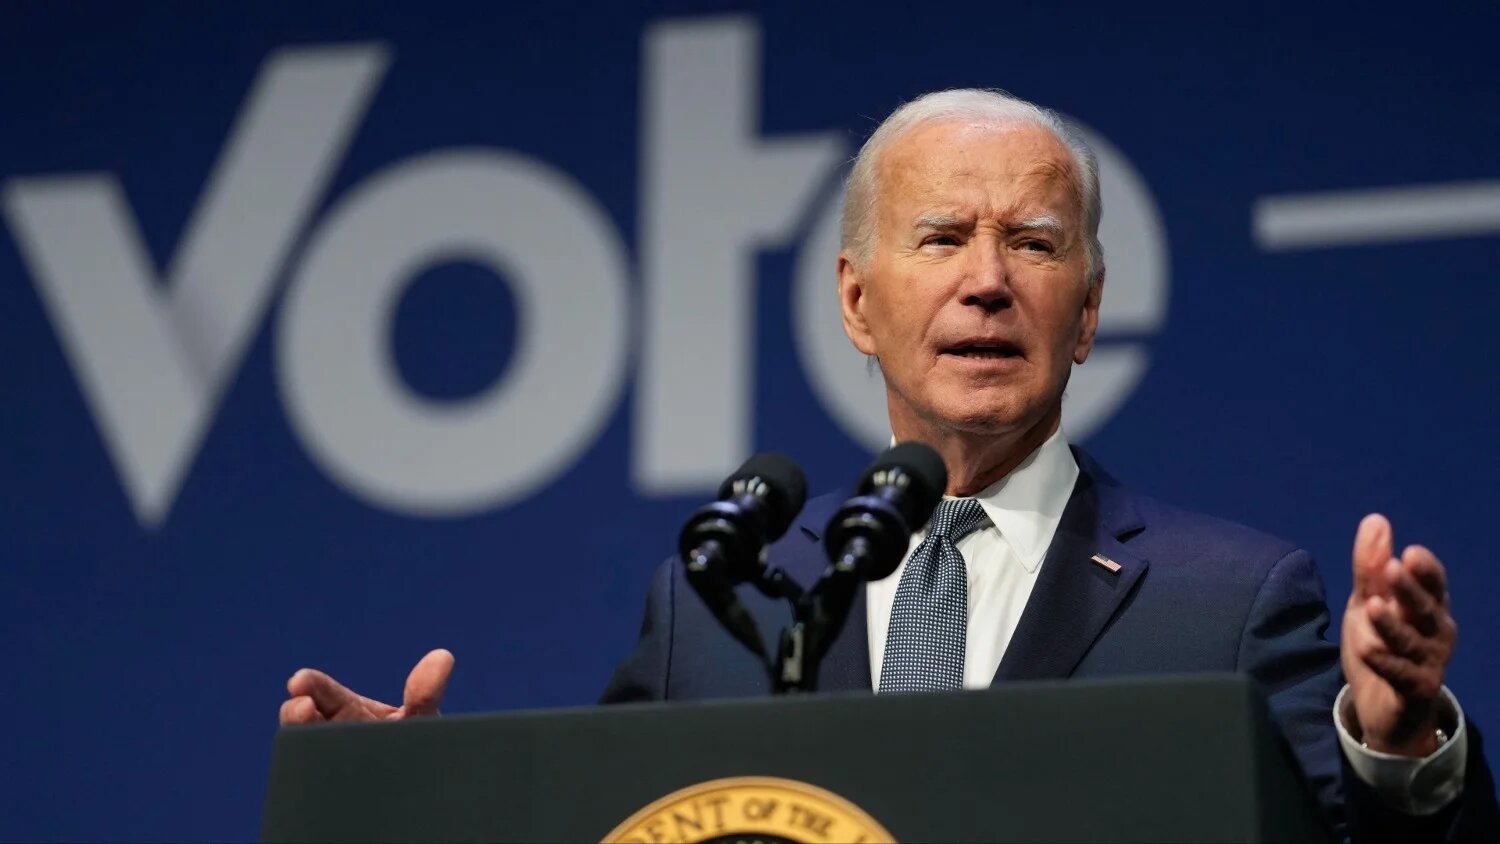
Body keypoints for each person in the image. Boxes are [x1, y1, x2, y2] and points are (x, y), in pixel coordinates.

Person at [279, 89, 1498, 841]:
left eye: (1033, 241)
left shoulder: (1229, 600)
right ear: (858, 302)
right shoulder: (708, 611)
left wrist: (1396, 750)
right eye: (942, 237)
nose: (987, 277)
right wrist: (419, 805)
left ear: (1086, 313)